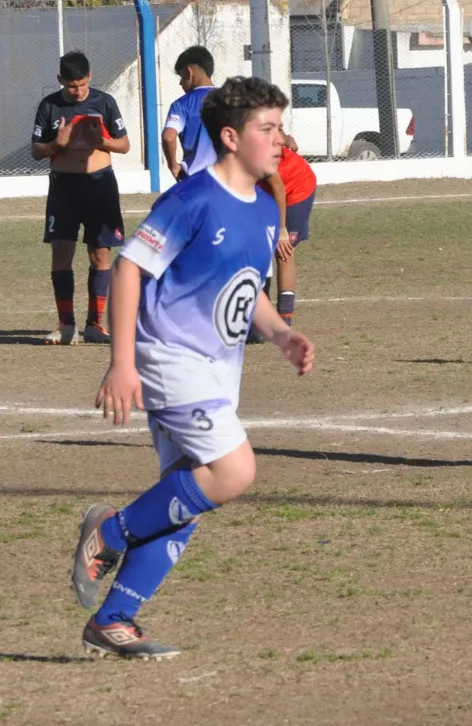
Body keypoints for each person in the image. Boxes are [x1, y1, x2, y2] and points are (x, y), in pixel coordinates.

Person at [70, 76, 314, 659]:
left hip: (215, 368)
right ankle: (107, 534)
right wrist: (121, 363)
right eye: (268, 128)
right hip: (168, 358)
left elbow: (248, 288)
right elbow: (130, 269)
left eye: (280, 127)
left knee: (188, 497)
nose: (281, 139)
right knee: (233, 472)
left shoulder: (261, 208)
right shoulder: (193, 199)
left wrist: (280, 333)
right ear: (230, 137)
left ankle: (115, 618)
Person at [32, 51, 131, 345]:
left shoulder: (105, 103)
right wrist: (56, 144)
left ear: (90, 77)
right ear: (61, 80)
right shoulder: (49, 106)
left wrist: (104, 142)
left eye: (83, 84)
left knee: (100, 252)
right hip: (64, 186)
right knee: (61, 249)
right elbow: (36, 150)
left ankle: (95, 324)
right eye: (72, 86)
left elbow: (124, 144)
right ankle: (66, 325)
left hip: (100, 184)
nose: (78, 91)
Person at [258, 133, 317, 327]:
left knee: (284, 249)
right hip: (265, 193)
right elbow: (291, 141)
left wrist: (282, 231)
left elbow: (279, 190)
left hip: (295, 189)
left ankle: (284, 319)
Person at [161, 45, 216, 181]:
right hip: (230, 182)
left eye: (181, 77)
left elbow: (168, 137)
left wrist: (173, 165)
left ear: (189, 72)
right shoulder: (233, 99)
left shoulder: (181, 105)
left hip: (196, 180)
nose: (180, 83)